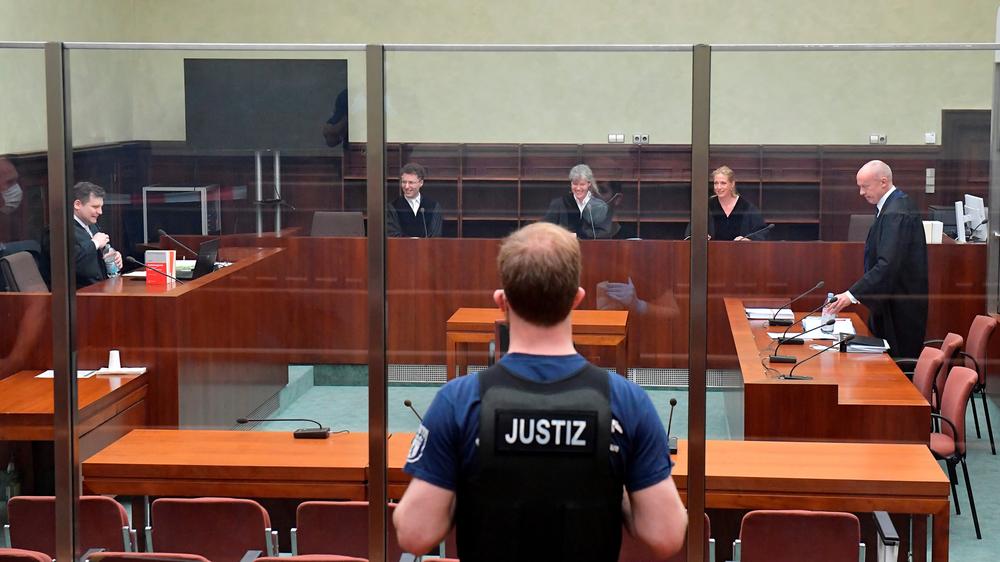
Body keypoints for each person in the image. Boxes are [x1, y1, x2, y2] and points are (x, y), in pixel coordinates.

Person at [393, 222, 687, 561]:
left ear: (501, 301)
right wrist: (615, 483)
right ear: (577, 298)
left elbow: (415, 533)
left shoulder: (459, 400)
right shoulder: (626, 401)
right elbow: (666, 535)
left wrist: (463, 480)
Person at [825, 160, 928, 360]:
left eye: (865, 186)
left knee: (894, 368)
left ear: (883, 182)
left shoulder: (896, 212)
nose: (861, 193)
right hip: (891, 302)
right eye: (859, 187)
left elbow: (887, 265)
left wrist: (851, 295)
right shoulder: (891, 206)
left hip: (900, 309)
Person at [43, 182, 122, 288]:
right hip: (76, 294)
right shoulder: (57, 230)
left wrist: (112, 255)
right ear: (77, 205)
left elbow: (96, 254)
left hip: (101, 287)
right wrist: (95, 243)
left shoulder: (92, 225)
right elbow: (68, 263)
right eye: (95, 207)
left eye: (101, 207)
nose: (100, 212)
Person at [686, 165, 767, 241]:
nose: (718, 187)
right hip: (710, 254)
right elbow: (690, 234)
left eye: (723, 183)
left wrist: (748, 239)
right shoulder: (705, 206)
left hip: (739, 253)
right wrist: (699, 237)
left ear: (732, 184)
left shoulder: (746, 207)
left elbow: (761, 233)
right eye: (716, 183)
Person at [543, 163, 614, 239]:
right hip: (565, 248)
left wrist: (579, 235)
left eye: (582, 184)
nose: (578, 188)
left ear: (589, 184)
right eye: (575, 184)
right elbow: (547, 230)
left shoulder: (601, 206)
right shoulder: (559, 204)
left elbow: (604, 233)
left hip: (591, 249)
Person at [387, 162, 443, 238]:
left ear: (421, 183)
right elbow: (393, 235)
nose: (406, 186)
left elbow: (435, 236)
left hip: (427, 249)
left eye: (411, 182)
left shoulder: (433, 207)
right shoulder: (392, 207)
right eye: (404, 182)